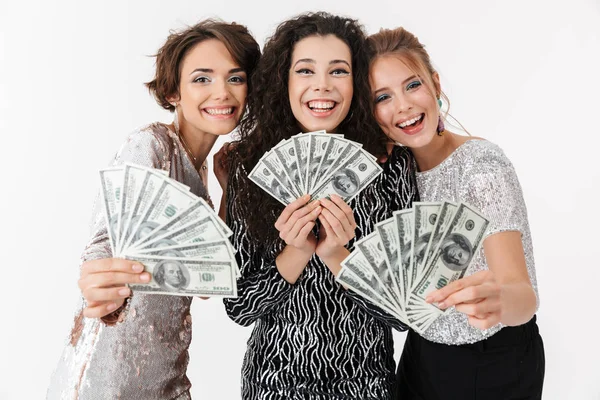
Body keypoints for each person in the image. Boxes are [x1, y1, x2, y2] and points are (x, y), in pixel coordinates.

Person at [46, 20, 260, 399]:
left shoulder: (203, 169)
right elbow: (106, 238)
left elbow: (209, 279)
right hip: (113, 374)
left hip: (168, 374)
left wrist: (227, 192)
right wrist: (98, 283)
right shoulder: (152, 146)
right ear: (173, 91)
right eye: (202, 79)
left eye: (235, 78)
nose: (222, 93)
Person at [216, 12, 417, 399]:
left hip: (367, 384)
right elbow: (239, 308)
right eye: (305, 71)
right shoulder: (246, 165)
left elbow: (402, 313)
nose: (322, 86)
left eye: (338, 71)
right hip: (273, 383)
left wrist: (337, 255)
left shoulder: (392, 165)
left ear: (356, 82)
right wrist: (295, 252)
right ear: (284, 80)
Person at [368, 26, 544, 399]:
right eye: (383, 96)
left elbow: (522, 295)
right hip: (421, 354)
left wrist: (498, 301)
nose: (403, 105)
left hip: (493, 357)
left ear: (434, 85)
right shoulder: (394, 172)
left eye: (412, 85)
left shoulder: (481, 167)